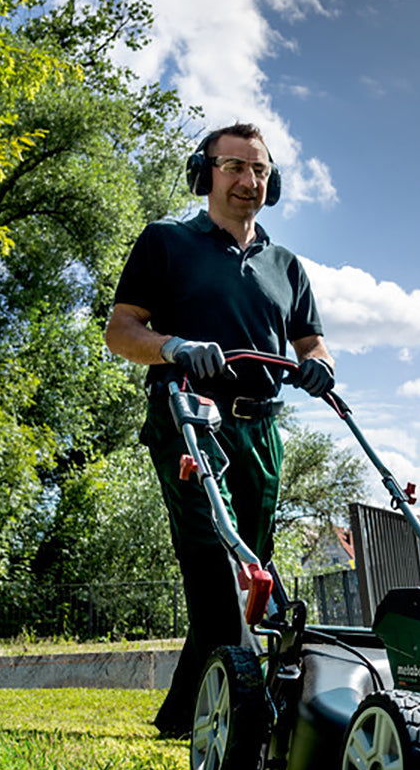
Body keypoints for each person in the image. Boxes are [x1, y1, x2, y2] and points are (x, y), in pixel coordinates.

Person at [105, 123, 336, 737]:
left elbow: (313, 340)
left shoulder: (286, 264)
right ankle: (224, 706)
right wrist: (175, 346)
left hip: (261, 430)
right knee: (214, 557)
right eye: (233, 167)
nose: (248, 181)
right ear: (204, 174)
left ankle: (191, 708)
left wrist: (319, 366)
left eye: (259, 170)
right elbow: (122, 329)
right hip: (188, 417)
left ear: (273, 182)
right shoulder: (167, 242)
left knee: (249, 567)